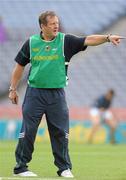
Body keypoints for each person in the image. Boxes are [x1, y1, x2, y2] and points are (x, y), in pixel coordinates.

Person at [9, 11, 122, 178]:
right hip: (34, 94)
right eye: (52, 23)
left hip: (57, 94)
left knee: (60, 133)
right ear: (42, 26)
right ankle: (21, 168)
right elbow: (19, 66)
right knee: (29, 130)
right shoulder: (31, 43)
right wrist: (12, 89)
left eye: (57, 23)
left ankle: (64, 168)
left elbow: (88, 40)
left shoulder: (65, 41)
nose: (56, 26)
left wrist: (108, 37)